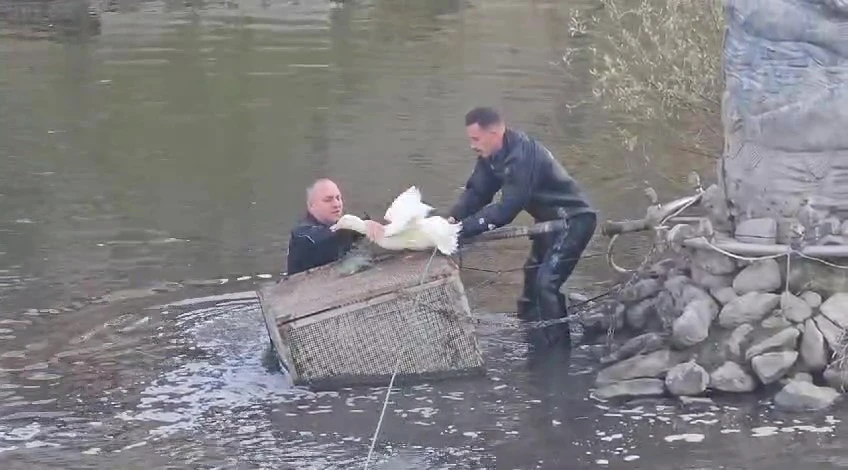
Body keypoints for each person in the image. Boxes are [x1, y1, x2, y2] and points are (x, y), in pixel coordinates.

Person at [447, 106, 597, 347]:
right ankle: (531, 336)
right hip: (548, 224)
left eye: (475, 139)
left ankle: (558, 353)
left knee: (547, 283)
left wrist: (464, 230)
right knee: (531, 281)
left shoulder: (522, 156)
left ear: (494, 133)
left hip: (574, 220)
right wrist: (452, 221)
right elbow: (477, 193)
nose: (472, 145)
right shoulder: (492, 157)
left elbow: (506, 210)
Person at [286, 178, 383, 275]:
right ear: (311, 205)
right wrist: (359, 227)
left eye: (338, 198)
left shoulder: (340, 227)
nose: (336, 204)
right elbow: (321, 239)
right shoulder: (301, 235)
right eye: (328, 200)